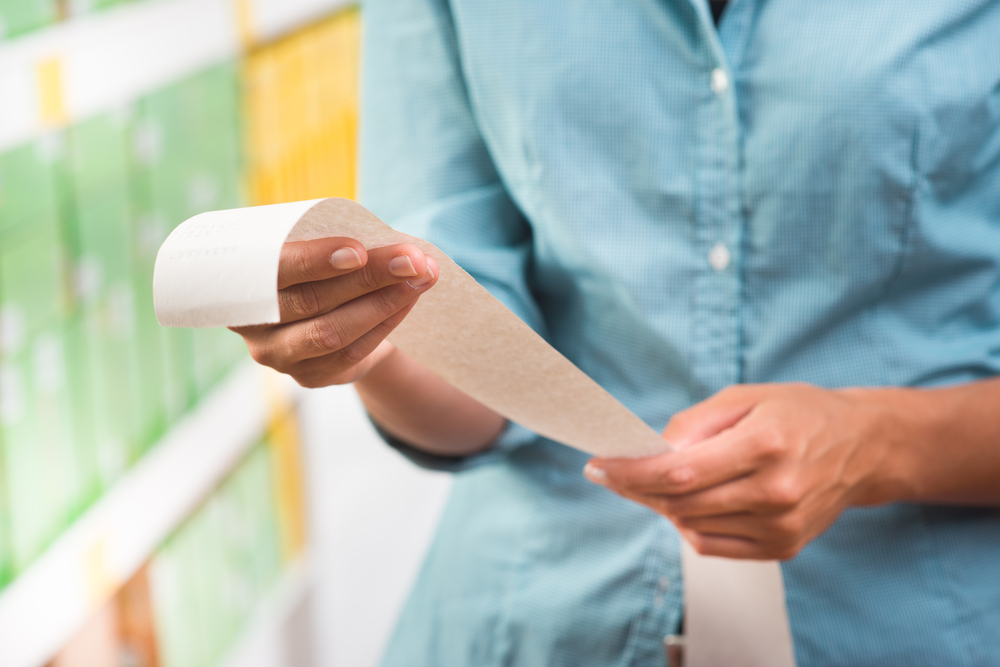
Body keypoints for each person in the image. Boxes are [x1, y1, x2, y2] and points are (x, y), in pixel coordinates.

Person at [232, 0, 1000, 664]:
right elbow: (472, 361)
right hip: (536, 618)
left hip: (909, 617)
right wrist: (377, 342)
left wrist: (879, 444)